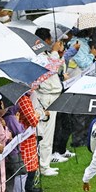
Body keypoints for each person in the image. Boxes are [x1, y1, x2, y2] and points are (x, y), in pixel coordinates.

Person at [32, 28, 67, 176]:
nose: (51, 42)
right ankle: (43, 166)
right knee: (44, 133)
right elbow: (51, 69)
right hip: (45, 97)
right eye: (50, 39)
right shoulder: (38, 56)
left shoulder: (47, 54)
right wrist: (54, 52)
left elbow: (59, 68)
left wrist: (59, 53)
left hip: (53, 95)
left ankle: (45, 164)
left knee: (49, 132)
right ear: (45, 40)